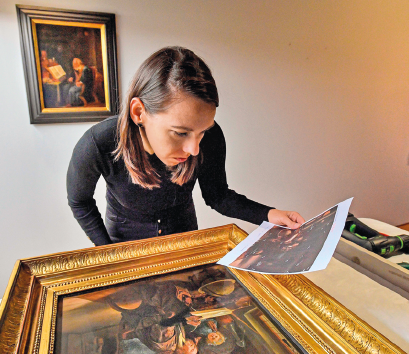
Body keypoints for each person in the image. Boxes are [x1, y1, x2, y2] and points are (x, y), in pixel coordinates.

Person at [67, 46, 304, 246]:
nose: (194, 150)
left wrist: (270, 215)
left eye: (201, 132)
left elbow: (218, 196)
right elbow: (80, 201)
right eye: (180, 133)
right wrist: (106, 251)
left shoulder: (210, 138)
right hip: (125, 239)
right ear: (139, 112)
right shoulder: (98, 143)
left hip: (185, 235)